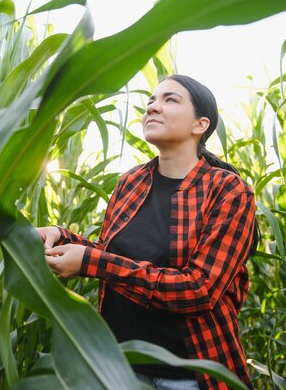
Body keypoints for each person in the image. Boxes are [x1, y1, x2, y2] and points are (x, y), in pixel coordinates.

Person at [37, 75, 258, 390]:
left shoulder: (226, 190)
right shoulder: (130, 182)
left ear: (200, 125)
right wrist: (62, 236)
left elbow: (199, 289)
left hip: (190, 378)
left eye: (170, 100)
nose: (153, 107)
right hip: (121, 371)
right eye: (151, 100)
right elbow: (109, 255)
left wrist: (90, 262)